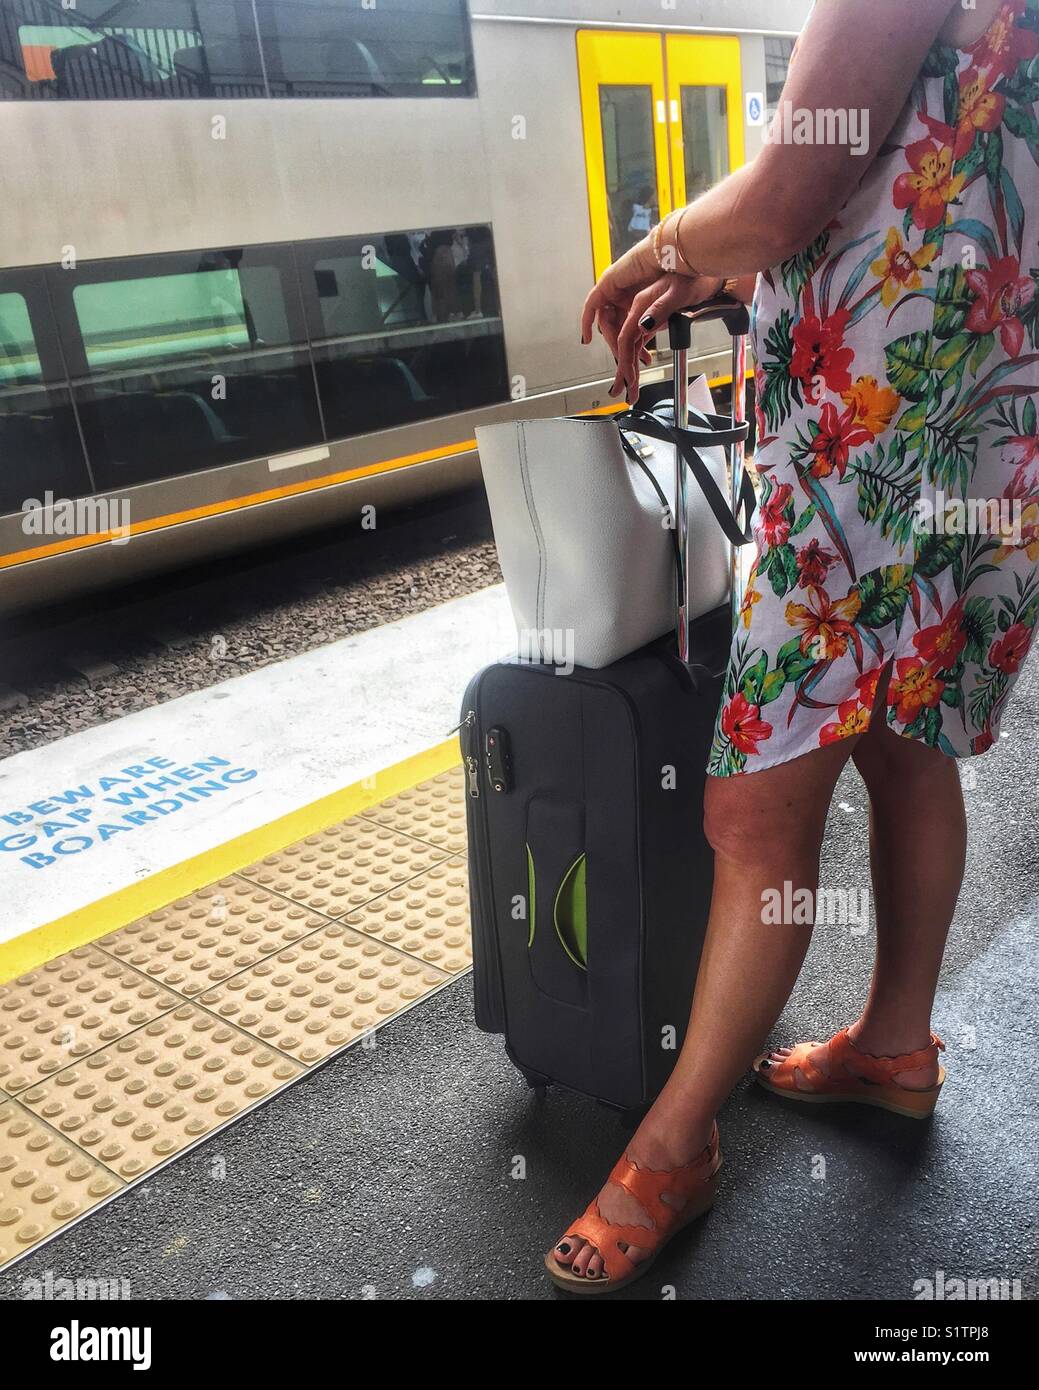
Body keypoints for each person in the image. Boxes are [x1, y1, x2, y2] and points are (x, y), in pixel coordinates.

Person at [551, 0, 1039, 1293]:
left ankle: (675, 1142)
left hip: (868, 457)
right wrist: (754, 266)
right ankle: (893, 1043)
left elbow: (791, 190)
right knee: (906, 744)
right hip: (979, 429)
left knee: (753, 815)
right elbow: (922, 175)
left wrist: (663, 244)